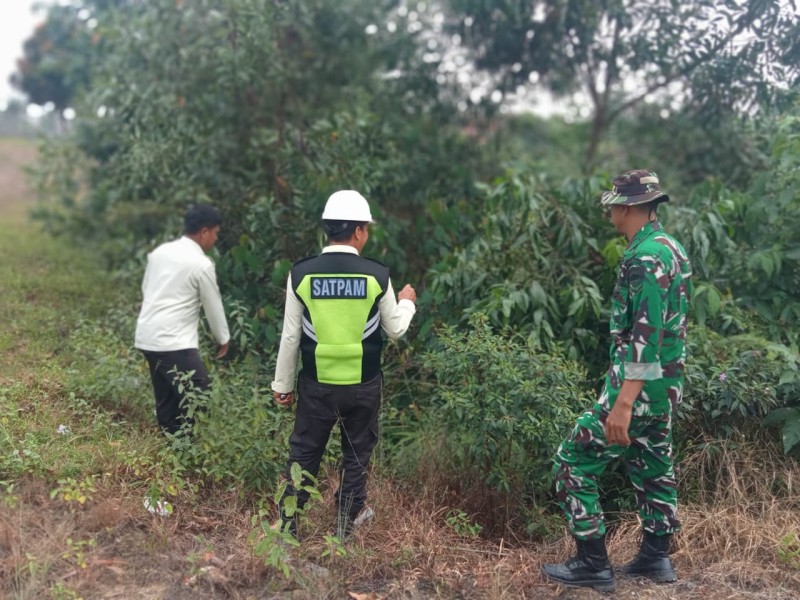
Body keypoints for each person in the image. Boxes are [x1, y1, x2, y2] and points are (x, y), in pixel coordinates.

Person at [542, 170, 692, 592]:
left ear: (626, 207)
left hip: (638, 389)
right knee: (653, 466)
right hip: (665, 387)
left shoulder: (644, 257)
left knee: (571, 463)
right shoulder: (671, 248)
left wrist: (623, 402)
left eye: (612, 205)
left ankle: (592, 564)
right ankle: (655, 559)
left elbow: (646, 333)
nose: (608, 212)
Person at [271, 189, 417, 539]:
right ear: (357, 231)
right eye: (366, 228)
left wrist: (283, 386)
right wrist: (406, 302)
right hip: (363, 386)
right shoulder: (376, 275)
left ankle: (288, 528)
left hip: (316, 384)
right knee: (356, 455)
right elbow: (395, 329)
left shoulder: (302, 273)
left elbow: (291, 336)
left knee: (304, 453)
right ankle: (343, 529)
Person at [135, 204, 230, 436]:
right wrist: (223, 338)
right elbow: (213, 305)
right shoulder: (201, 264)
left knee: (167, 399)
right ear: (204, 231)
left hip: (147, 336)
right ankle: (194, 452)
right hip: (173, 342)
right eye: (216, 233)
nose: (215, 239)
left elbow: (146, 288)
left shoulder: (160, 253)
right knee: (201, 393)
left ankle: (176, 450)